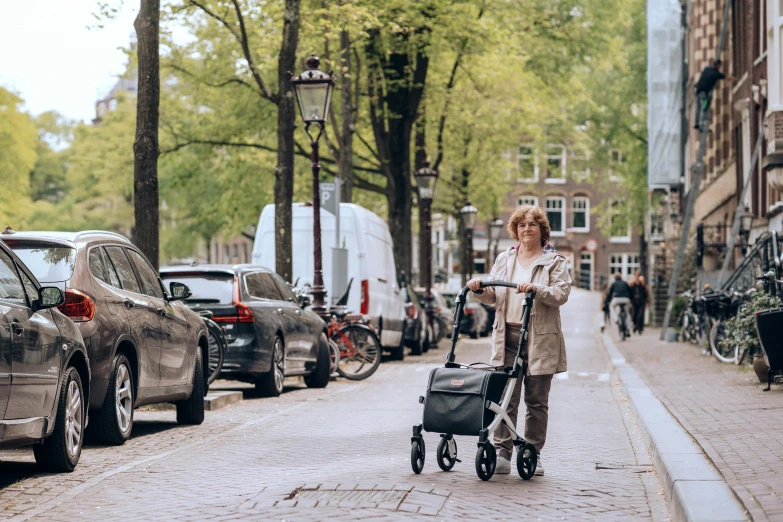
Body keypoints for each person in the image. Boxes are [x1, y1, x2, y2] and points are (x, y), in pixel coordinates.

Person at [468, 205, 571, 477]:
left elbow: (561, 294)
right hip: (508, 337)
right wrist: (481, 290)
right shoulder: (505, 259)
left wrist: (537, 290)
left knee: (536, 401)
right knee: (504, 399)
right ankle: (502, 453)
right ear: (515, 230)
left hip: (539, 337)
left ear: (542, 230)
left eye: (533, 224)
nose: (527, 228)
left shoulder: (554, 261)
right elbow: (494, 296)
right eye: (522, 224)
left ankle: (532, 453)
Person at [694, 59, 733, 130]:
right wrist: (735, 79)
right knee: (705, 108)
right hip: (703, 92)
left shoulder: (707, 68)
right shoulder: (716, 74)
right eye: (719, 66)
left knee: (698, 108)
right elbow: (727, 77)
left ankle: (696, 123)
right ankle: (703, 126)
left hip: (697, 89)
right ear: (718, 65)